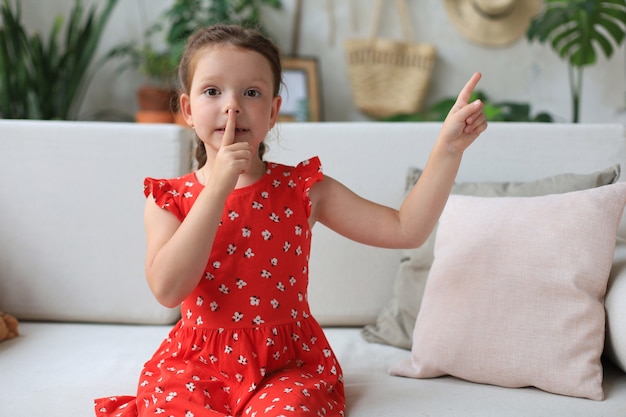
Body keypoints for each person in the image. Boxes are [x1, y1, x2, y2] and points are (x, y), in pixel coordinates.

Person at [94, 23, 487, 417]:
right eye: (212, 91)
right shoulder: (170, 199)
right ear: (188, 111)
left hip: (286, 367)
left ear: (273, 112)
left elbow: (406, 229)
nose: (232, 106)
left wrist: (448, 149)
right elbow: (168, 290)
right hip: (195, 366)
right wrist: (217, 189)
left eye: (252, 92)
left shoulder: (302, 189)